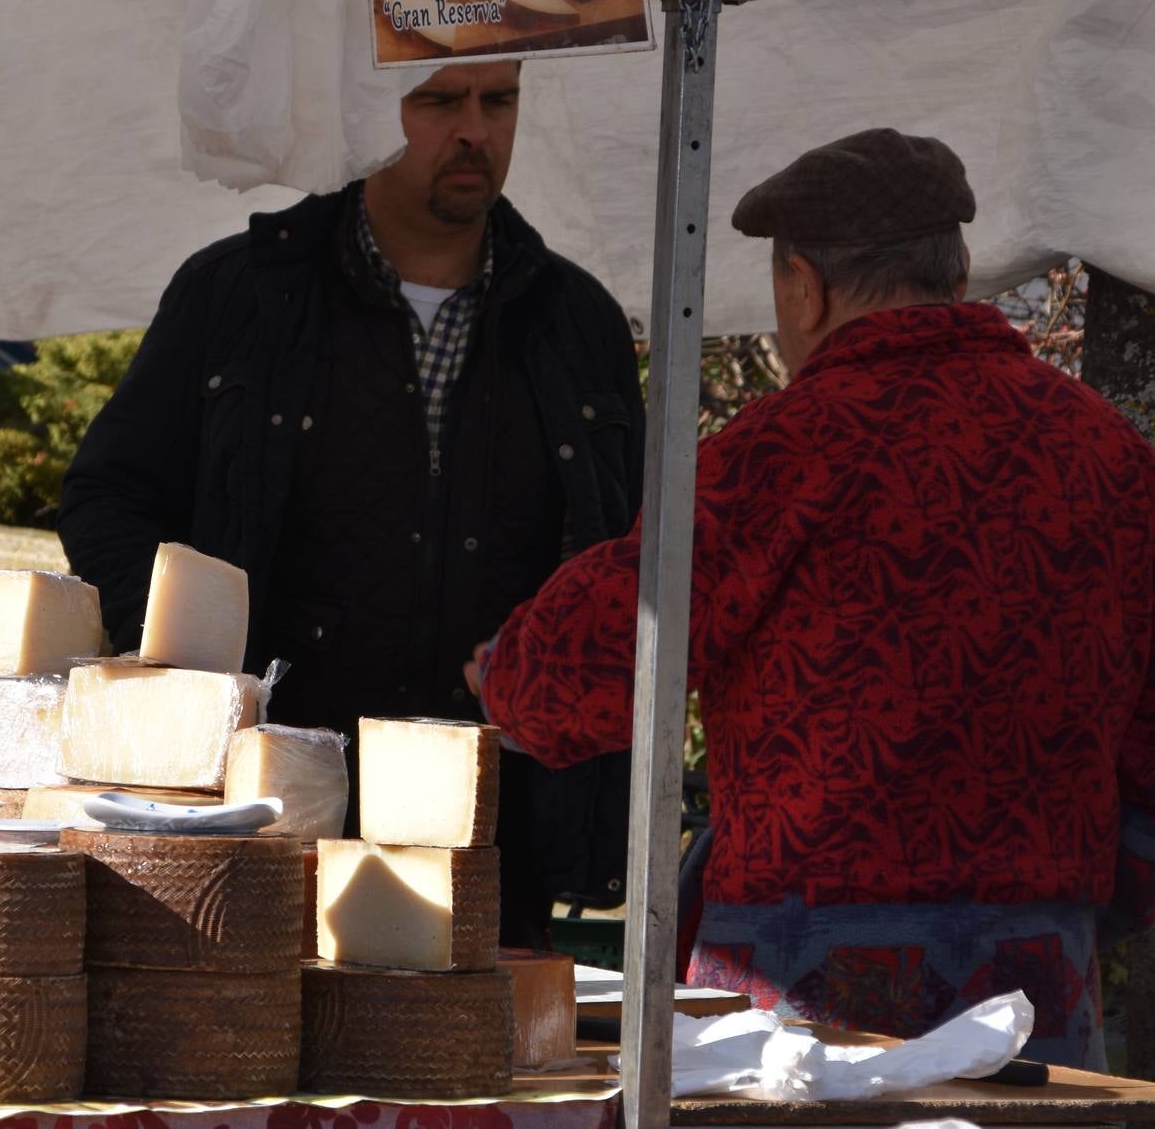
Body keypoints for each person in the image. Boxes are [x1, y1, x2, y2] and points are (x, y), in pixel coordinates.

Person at [470, 128, 1155, 1068]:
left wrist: (502, 669)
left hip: (806, 971)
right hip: (1037, 968)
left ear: (804, 288)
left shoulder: (781, 450)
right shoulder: (1107, 453)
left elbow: (576, 671)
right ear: (954, 279)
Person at [59, 61, 645, 947]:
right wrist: (191, 677)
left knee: (473, 1078)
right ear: (368, 114)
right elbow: (107, 497)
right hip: (262, 819)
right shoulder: (241, 292)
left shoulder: (578, 321)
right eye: (440, 101)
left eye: (499, 101)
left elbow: (630, 557)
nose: (475, 132)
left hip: (497, 828)